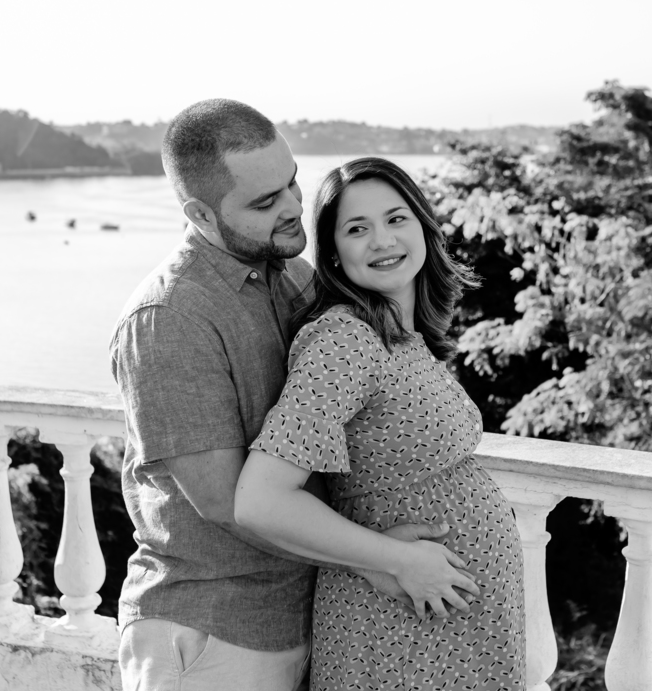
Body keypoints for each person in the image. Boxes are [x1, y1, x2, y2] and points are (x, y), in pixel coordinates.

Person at [111, 101, 457, 691]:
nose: (295, 207)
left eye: (291, 181)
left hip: (309, 616)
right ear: (199, 212)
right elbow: (226, 502)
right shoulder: (168, 319)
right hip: (212, 633)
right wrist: (383, 558)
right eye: (264, 202)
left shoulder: (295, 278)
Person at [234, 156, 527, 690]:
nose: (382, 240)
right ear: (336, 256)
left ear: (422, 226)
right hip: (395, 630)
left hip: (447, 627)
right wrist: (397, 561)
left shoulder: (402, 336)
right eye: (356, 228)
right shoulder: (346, 339)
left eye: (396, 219)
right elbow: (261, 500)